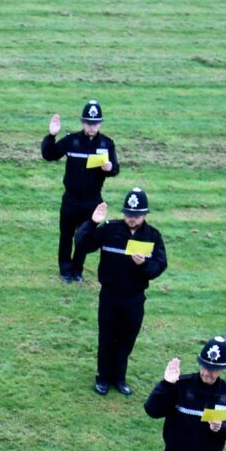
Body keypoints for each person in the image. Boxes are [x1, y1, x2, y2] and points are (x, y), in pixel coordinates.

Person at [72, 188, 167, 395]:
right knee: (107, 338)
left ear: (144, 215)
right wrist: (91, 223)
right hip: (110, 295)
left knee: (126, 339)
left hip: (134, 298)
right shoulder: (110, 230)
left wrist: (144, 265)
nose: (132, 219)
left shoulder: (152, 236)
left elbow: (159, 265)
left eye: (136, 215)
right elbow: (82, 244)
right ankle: (103, 378)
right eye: (129, 214)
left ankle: (119, 378)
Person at [39, 99, 119, 282]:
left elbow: (115, 169)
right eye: (88, 123)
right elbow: (49, 155)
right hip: (71, 200)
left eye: (95, 123)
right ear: (83, 122)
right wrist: (51, 136)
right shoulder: (71, 140)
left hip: (92, 200)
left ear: (100, 123)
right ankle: (65, 270)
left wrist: (109, 168)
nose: (92, 127)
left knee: (84, 237)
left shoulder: (107, 144)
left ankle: (78, 270)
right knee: (66, 236)